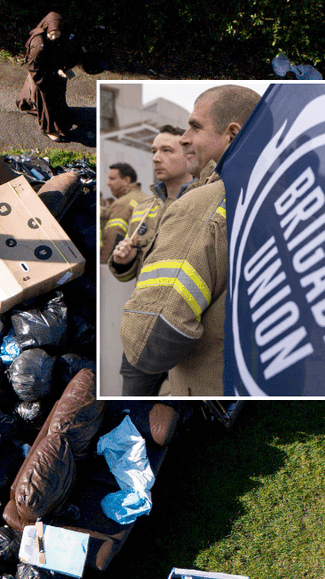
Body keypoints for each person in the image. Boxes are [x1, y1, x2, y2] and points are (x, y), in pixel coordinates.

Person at [118, 85, 261, 396]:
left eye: (195, 126)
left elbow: (148, 344)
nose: (185, 137)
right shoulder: (281, 194)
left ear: (232, 134)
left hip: (209, 386)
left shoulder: (203, 206)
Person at [109, 125, 193, 395]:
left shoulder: (203, 203)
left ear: (190, 155)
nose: (156, 157)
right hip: (143, 328)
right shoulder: (144, 208)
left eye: (167, 150)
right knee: (131, 407)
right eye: (154, 151)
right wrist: (124, 259)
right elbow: (128, 273)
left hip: (188, 331)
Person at [16, 12, 77, 142]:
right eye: (51, 34)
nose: (54, 37)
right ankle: (48, 129)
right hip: (41, 77)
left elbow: (64, 52)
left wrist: (62, 68)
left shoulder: (63, 37)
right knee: (46, 104)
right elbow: (34, 68)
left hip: (54, 73)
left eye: (57, 34)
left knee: (58, 97)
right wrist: (52, 74)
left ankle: (61, 118)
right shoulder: (38, 44)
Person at [100, 163, 148, 263]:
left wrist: (103, 264)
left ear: (126, 180)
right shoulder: (147, 199)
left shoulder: (123, 203)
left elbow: (112, 238)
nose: (108, 183)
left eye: (112, 179)